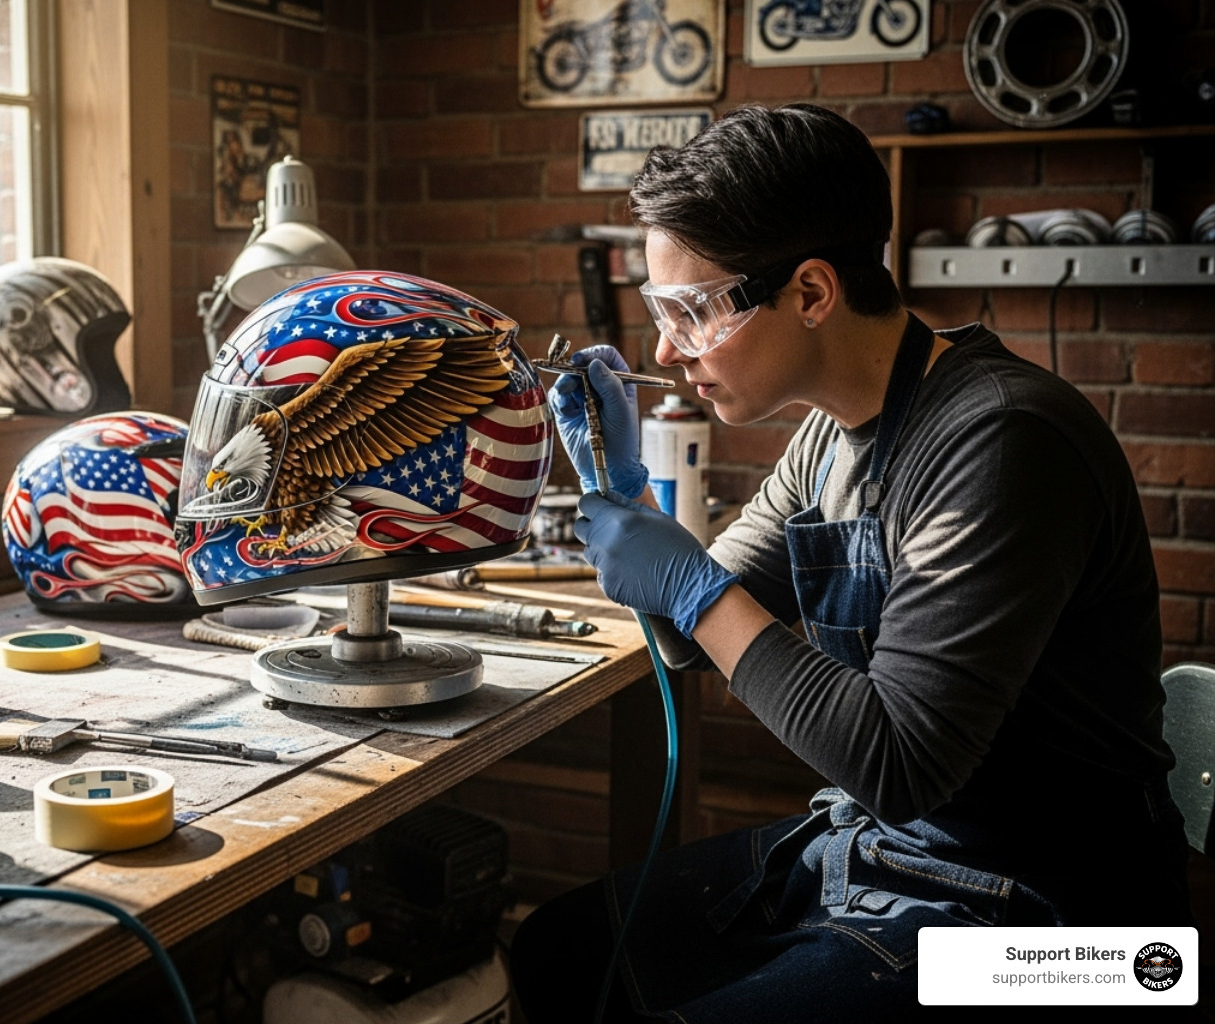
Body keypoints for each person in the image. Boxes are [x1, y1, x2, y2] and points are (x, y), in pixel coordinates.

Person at [509, 103, 1191, 1022]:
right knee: (561, 952)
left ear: (812, 292)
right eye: (659, 313)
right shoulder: (829, 440)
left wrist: (683, 577)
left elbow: (897, 761)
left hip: (1071, 934)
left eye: (693, 310)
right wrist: (625, 501)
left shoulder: (999, 439)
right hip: (892, 856)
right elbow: (688, 633)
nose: (667, 352)